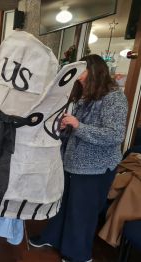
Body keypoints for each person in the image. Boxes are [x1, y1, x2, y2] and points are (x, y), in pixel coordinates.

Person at [28, 54, 128, 262]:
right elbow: (76, 130)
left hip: (96, 168)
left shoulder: (114, 98)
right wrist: (66, 127)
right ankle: (53, 237)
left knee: (83, 212)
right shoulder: (86, 96)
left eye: (81, 73)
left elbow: (114, 135)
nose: (78, 78)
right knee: (63, 205)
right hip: (73, 162)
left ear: (94, 71)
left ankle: (79, 255)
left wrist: (77, 125)